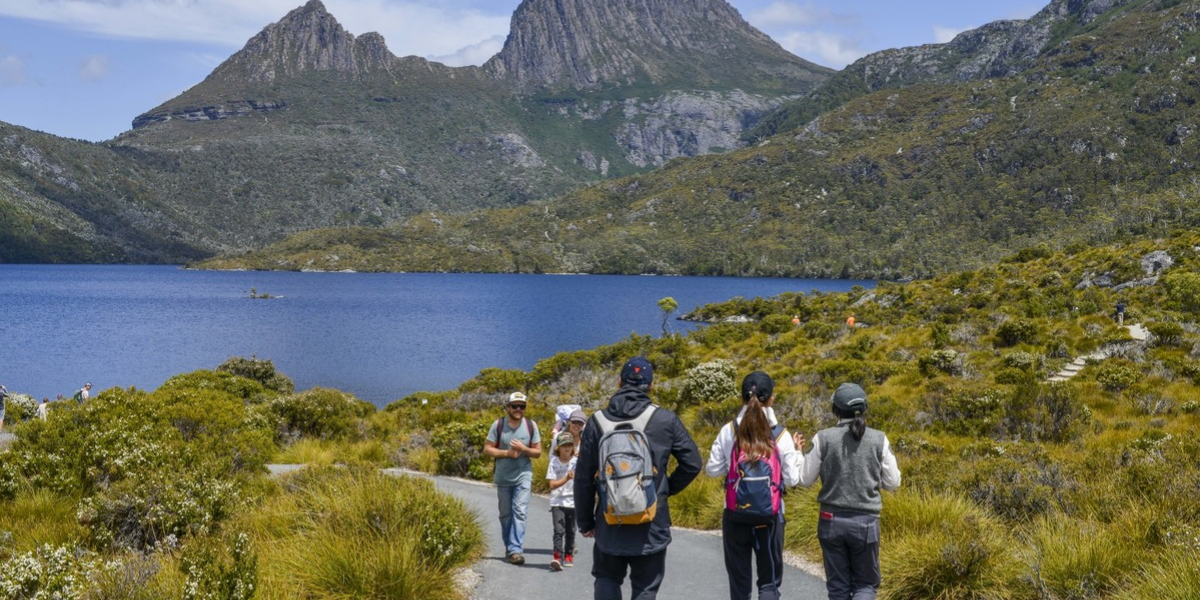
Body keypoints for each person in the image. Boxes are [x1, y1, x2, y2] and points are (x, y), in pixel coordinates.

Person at [575, 356, 703, 600]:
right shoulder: (665, 419)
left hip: (609, 520)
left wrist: (586, 522)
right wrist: (663, 490)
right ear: (651, 385)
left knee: (607, 578)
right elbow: (693, 463)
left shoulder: (596, 422)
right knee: (645, 588)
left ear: (619, 382)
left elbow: (582, 478)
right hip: (651, 522)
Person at [796, 383, 901, 600]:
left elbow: (805, 479)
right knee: (865, 585)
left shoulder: (822, 438)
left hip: (830, 520)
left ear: (836, 410)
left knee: (838, 588)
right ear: (864, 408)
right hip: (865, 522)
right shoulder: (879, 439)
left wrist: (799, 455)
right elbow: (893, 482)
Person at [706, 372, 803, 600]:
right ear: (771, 399)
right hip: (771, 516)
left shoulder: (729, 430)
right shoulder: (781, 436)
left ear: (742, 397)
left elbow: (712, 469)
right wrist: (798, 453)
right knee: (769, 584)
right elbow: (792, 480)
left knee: (739, 585)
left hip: (735, 515)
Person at [483, 391, 542, 565]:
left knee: (520, 512)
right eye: (514, 406)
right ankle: (509, 547)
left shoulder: (531, 425)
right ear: (508, 407)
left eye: (521, 406)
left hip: (524, 475)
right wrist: (507, 453)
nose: (518, 409)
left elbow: (538, 452)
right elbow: (487, 449)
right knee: (505, 514)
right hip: (503, 477)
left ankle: (515, 549)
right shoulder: (498, 425)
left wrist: (524, 449)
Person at [548, 431, 579, 571]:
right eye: (563, 445)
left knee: (571, 530)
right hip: (557, 501)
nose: (567, 448)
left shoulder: (577, 462)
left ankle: (568, 555)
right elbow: (552, 484)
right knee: (558, 530)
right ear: (558, 448)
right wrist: (566, 478)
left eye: (569, 445)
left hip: (573, 500)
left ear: (573, 447)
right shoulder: (553, 462)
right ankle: (557, 557)